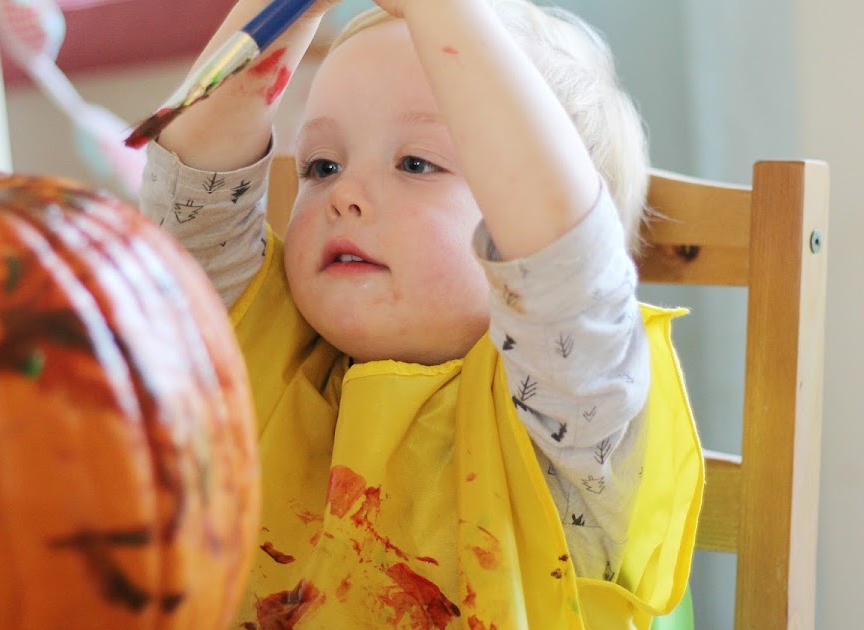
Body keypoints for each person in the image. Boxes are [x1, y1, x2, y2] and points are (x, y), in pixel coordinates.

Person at [139, 0, 702, 626]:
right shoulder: (259, 342)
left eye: (416, 164)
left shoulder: (570, 411)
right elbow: (193, 193)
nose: (345, 195)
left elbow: (560, 250)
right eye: (323, 166)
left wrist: (443, 11)